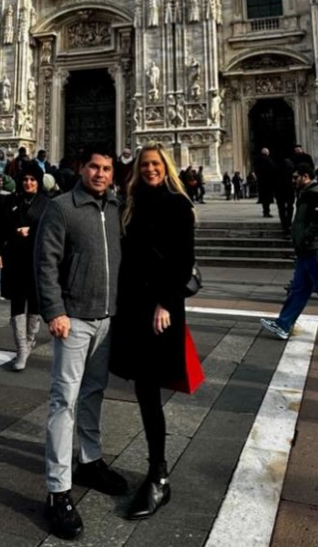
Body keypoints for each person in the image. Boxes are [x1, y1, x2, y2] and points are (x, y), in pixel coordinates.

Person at [34, 145, 127, 539]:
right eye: (94, 167)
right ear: (81, 169)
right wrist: (54, 311)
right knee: (64, 400)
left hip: (107, 317)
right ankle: (58, 490)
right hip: (72, 319)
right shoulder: (61, 207)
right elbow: (45, 262)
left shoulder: (115, 209)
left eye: (106, 168)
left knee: (94, 393)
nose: (100, 173)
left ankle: (89, 460)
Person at [109, 143, 196, 519]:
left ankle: (158, 475)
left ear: (166, 167)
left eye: (156, 164)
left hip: (160, 309)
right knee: (145, 391)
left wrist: (164, 302)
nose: (150, 169)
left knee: (151, 387)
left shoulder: (178, 204)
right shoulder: (129, 204)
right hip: (131, 307)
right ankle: (156, 472)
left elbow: (183, 260)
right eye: (144, 164)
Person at [259, 163, 318, 348]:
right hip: (307, 252)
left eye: (296, 177)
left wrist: (304, 240)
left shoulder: (315, 194)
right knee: (299, 290)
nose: (293, 180)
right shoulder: (308, 193)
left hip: (316, 251)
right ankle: (283, 324)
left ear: (305, 176)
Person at [0, 164, 49, 371]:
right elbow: (0, 229)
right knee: (17, 302)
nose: (28, 183)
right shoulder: (11, 201)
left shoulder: (47, 204)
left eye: (32, 179)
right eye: (25, 179)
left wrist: (32, 231)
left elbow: (53, 233)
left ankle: (30, 340)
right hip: (14, 257)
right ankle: (21, 348)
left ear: (39, 182)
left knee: (34, 303)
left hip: (36, 259)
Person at [255, 148, 277, 218]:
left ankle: (265, 211)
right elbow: (273, 170)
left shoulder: (257, 160)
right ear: (267, 153)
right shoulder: (268, 160)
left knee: (264, 198)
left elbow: (256, 171)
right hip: (268, 183)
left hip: (261, 182)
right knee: (267, 198)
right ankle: (267, 212)